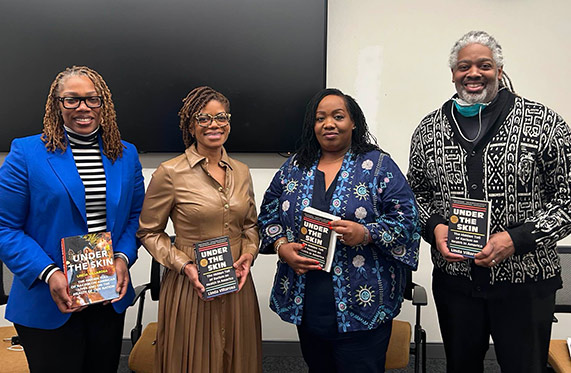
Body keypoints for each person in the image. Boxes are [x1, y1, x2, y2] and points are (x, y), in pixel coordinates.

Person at [407, 30, 571, 373]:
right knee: (461, 366)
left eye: (484, 65)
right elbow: (415, 195)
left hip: (526, 283)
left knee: (524, 367)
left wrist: (517, 238)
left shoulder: (544, 123)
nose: (473, 73)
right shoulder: (428, 130)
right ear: (453, 74)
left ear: (499, 69)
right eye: (464, 66)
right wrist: (435, 227)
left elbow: (568, 200)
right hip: (456, 282)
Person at [258, 88, 420, 373]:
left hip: (363, 303)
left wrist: (366, 232)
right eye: (321, 118)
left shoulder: (379, 166)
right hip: (307, 301)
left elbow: (407, 219)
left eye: (338, 116)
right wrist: (281, 246)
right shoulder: (295, 166)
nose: (328, 124)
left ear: (354, 122)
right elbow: (269, 210)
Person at [0, 65, 145, 372]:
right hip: (49, 299)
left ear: (103, 104)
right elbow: (5, 227)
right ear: (57, 104)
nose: (83, 107)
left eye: (92, 99)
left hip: (106, 298)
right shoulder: (26, 152)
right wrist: (50, 273)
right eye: (72, 99)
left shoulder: (126, 154)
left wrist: (122, 258)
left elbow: (135, 217)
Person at [137, 86, 262, 373]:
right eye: (203, 118)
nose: (214, 124)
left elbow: (250, 225)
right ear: (191, 125)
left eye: (221, 117)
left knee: (236, 357)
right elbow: (148, 232)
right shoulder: (170, 172)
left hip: (237, 282)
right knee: (193, 361)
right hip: (190, 284)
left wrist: (249, 253)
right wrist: (184, 265)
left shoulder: (241, 171)